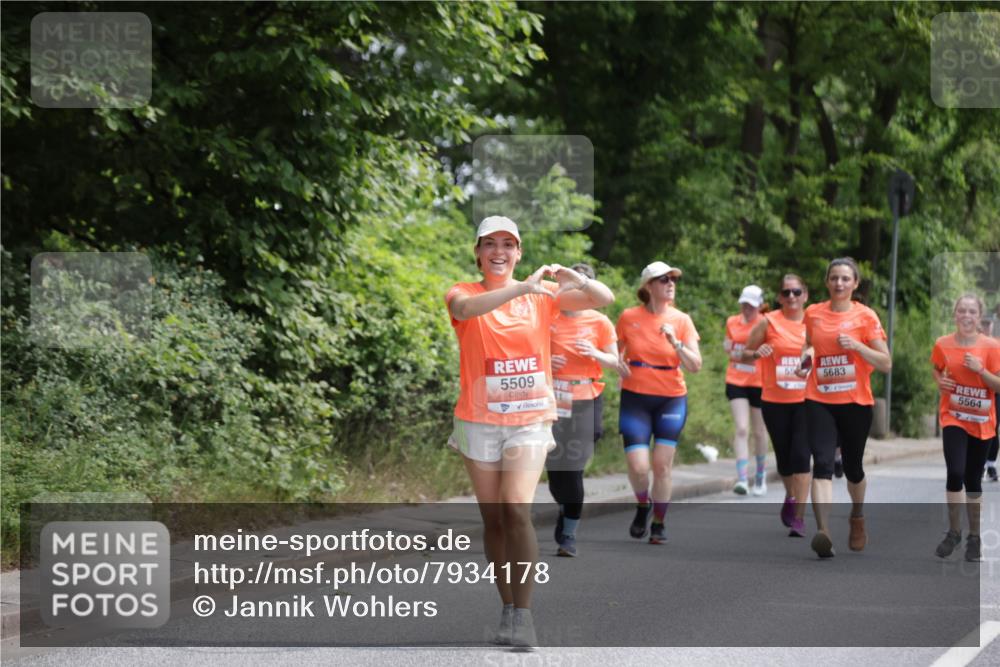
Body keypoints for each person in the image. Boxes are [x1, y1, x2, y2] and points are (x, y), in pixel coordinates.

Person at [445, 216, 614, 648]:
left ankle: (523, 614)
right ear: (478, 252)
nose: (499, 251)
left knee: (515, 508)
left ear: (519, 253)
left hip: (529, 419)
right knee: (494, 520)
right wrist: (522, 287)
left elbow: (604, 297)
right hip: (478, 421)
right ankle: (506, 606)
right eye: (490, 244)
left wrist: (574, 277)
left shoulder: (545, 298)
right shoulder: (464, 293)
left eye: (508, 244)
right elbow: (465, 313)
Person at [799, 257, 891, 558]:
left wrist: (857, 346)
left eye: (845, 279)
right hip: (819, 399)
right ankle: (823, 532)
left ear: (855, 284)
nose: (839, 283)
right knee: (822, 464)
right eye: (834, 278)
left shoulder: (866, 317)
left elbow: (885, 362)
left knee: (852, 468)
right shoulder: (812, 313)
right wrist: (806, 359)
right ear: (827, 282)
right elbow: (810, 344)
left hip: (855, 402)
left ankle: (857, 515)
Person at [616, 261, 702, 545]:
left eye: (673, 279)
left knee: (662, 465)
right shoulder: (629, 317)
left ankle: (659, 522)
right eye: (663, 279)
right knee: (639, 467)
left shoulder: (682, 320)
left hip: (671, 399)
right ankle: (643, 505)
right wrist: (618, 366)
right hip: (635, 399)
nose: (670, 284)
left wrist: (675, 342)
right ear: (648, 286)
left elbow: (696, 365)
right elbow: (613, 352)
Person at [548, 263, 620, 557]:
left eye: (581, 286)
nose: (575, 291)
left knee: (574, 466)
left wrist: (596, 354)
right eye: (570, 284)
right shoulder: (547, 316)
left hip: (586, 396)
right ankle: (564, 507)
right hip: (552, 398)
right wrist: (545, 363)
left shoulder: (600, 322)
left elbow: (615, 362)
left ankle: (569, 534)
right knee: (555, 472)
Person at [931, 293, 1000, 562]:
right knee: (955, 472)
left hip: (982, 422)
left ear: (979, 316)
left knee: (972, 480)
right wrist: (940, 381)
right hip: (954, 417)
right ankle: (954, 531)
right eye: (962, 311)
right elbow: (937, 368)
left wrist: (981, 371)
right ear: (955, 314)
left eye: (972, 311)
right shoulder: (943, 344)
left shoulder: (992, 347)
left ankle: (974, 536)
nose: (967, 316)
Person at [741, 275, 811, 536]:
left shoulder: (813, 322)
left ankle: (800, 517)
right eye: (786, 293)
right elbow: (743, 354)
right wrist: (757, 353)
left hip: (806, 401)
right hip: (774, 401)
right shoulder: (768, 322)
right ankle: (791, 496)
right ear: (780, 298)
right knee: (784, 459)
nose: (791, 297)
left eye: (796, 292)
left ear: (805, 294)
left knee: (802, 456)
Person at [724, 285, 769, 496]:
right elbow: (728, 348)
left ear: (760, 305)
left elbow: (765, 352)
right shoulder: (732, 321)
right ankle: (742, 478)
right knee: (742, 428)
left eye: (751, 305)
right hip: (736, 379)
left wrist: (742, 352)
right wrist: (744, 353)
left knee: (759, 432)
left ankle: (760, 476)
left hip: (759, 382)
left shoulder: (765, 323)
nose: (747, 308)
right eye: (744, 304)